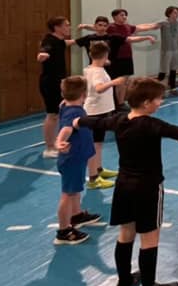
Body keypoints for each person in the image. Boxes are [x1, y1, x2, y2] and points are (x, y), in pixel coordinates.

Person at [69, 78, 178, 286]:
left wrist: (76, 122)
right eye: (158, 99)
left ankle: (124, 281)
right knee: (150, 238)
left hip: (124, 187)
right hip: (148, 188)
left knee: (126, 234)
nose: (160, 102)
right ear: (146, 103)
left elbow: (95, 122)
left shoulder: (119, 120)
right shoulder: (152, 125)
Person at [52, 75, 101, 245]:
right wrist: (59, 141)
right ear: (84, 94)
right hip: (72, 159)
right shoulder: (75, 112)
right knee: (68, 193)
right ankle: (63, 231)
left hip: (77, 158)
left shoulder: (64, 105)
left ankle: (76, 215)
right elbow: (66, 129)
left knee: (75, 190)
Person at [82, 41, 127, 189]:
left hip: (98, 110)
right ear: (105, 55)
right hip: (96, 112)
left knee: (98, 144)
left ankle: (99, 169)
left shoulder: (91, 68)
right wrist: (115, 82)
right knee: (95, 145)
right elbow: (99, 88)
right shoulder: (98, 72)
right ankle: (93, 178)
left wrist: (103, 61)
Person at [101, 9, 161, 108]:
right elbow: (96, 28)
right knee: (118, 82)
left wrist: (154, 25)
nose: (124, 17)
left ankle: (121, 102)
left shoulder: (127, 27)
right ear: (115, 17)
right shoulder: (111, 27)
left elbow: (141, 27)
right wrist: (84, 26)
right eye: (122, 15)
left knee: (125, 81)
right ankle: (117, 104)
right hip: (116, 58)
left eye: (125, 15)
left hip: (127, 57)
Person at [37, 16, 77, 158]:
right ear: (57, 27)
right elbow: (44, 50)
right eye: (66, 25)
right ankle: (49, 148)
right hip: (50, 83)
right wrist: (42, 55)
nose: (69, 27)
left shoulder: (59, 41)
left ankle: (57, 142)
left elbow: (66, 43)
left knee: (60, 113)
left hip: (60, 82)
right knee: (52, 115)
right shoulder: (49, 40)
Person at [75, 16, 155, 64]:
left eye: (105, 26)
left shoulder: (114, 37)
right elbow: (72, 42)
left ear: (107, 27)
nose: (102, 27)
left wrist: (147, 37)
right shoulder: (89, 38)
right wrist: (84, 25)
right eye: (100, 25)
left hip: (112, 67)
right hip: (95, 68)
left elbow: (130, 38)